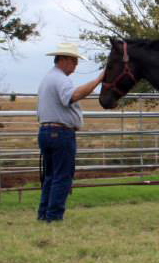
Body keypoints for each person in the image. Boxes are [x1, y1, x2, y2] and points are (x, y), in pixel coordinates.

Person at [36, 42, 104, 222]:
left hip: (46, 131)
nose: (76, 65)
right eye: (74, 61)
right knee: (62, 176)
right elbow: (72, 96)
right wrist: (97, 81)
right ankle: (54, 216)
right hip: (60, 133)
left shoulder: (48, 79)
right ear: (64, 59)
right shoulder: (61, 80)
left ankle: (44, 214)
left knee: (50, 176)